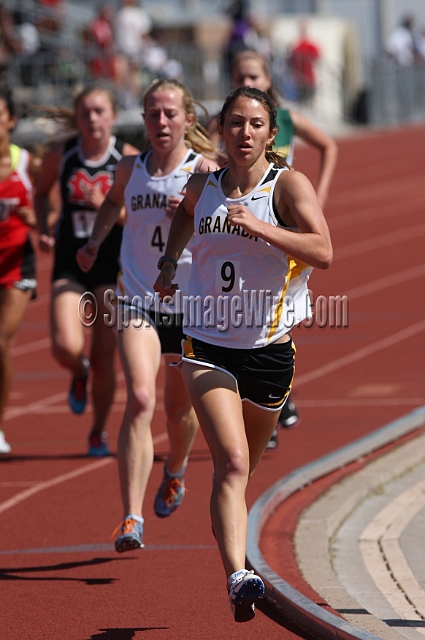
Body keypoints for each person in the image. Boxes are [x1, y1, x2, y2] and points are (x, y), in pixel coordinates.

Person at [154, 86, 332, 621]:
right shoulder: (204, 183)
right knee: (231, 463)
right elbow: (185, 215)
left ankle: (233, 551)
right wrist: (168, 262)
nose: (245, 133)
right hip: (206, 343)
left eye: (255, 124)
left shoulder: (287, 186)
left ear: (270, 133)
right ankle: (238, 575)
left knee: (240, 475)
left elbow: (323, 251)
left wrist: (260, 227)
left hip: (269, 352)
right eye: (235, 123)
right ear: (220, 130)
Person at [76, 78, 220, 551]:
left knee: (179, 409)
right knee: (140, 397)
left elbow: (228, 234)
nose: (161, 122)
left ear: (188, 120)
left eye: (170, 114)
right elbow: (114, 203)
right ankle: (131, 518)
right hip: (136, 298)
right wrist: (96, 241)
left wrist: (200, 214)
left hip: (188, 307)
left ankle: (175, 470)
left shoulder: (205, 171)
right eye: (153, 114)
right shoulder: (129, 167)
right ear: (143, 120)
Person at [208, 49, 338, 444]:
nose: (247, 82)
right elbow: (214, 161)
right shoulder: (232, 123)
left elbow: (329, 146)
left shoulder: (288, 120)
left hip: (281, 217)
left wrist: (320, 194)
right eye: (239, 76)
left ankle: (276, 394)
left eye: (254, 76)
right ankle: (273, 398)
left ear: (267, 80)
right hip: (244, 216)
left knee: (277, 305)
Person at [34, 85, 139, 457]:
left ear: (112, 116)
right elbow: (41, 191)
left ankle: (97, 431)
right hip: (70, 263)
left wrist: (110, 208)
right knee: (66, 345)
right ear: (77, 118)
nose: (92, 119)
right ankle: (77, 372)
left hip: (112, 268)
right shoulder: (62, 157)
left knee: (105, 359)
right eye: (85, 113)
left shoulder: (128, 159)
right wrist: (45, 225)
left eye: (99, 112)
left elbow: (143, 219)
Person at [0, 88, 37, 454]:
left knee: (1, 342)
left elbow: (49, 211)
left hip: (18, 263)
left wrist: (37, 219)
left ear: (10, 120)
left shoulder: (26, 162)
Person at [288, 19, 321, 106]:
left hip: (309, 77)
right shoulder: (296, 45)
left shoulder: (310, 45)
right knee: (301, 101)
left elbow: (317, 57)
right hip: (299, 78)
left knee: (309, 100)